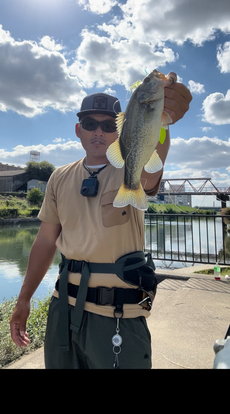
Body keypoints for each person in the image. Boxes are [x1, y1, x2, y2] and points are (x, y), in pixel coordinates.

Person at [10, 72, 192, 369]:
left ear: (121, 129)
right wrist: (23, 300)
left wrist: (165, 119)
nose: (99, 131)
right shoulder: (59, 177)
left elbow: (156, 151)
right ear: (77, 129)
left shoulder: (131, 168)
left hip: (119, 316)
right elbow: (45, 241)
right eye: (90, 124)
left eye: (109, 125)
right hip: (62, 311)